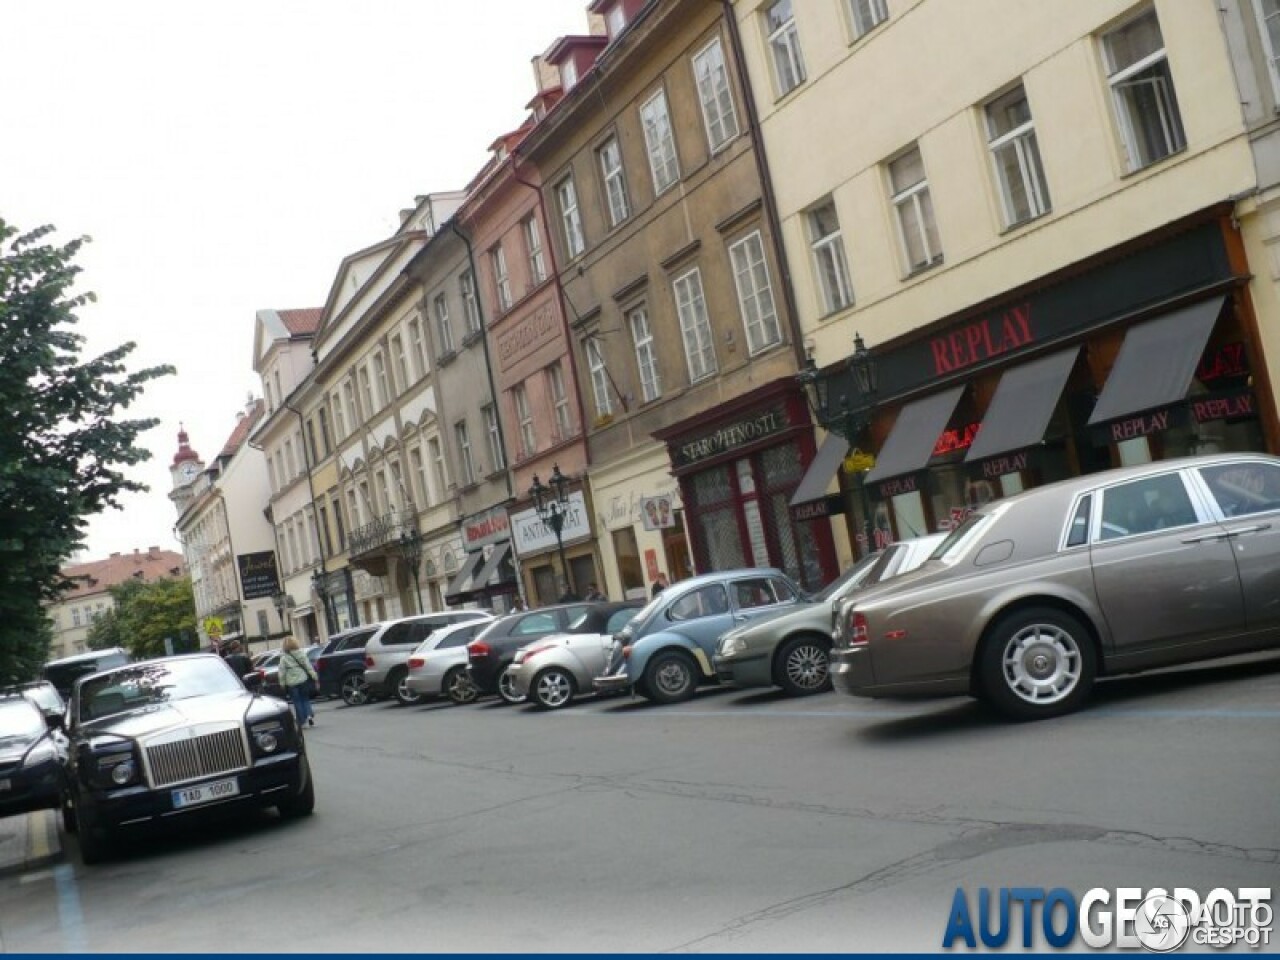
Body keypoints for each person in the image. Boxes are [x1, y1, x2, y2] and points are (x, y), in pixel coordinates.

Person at [279, 635, 319, 728]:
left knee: (297, 701)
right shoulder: (301, 654)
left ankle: (302, 720)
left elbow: (282, 672)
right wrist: (314, 676)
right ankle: (309, 716)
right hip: (303, 680)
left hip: (292, 683)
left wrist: (282, 683)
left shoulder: (284, 658)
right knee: (305, 699)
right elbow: (308, 666)